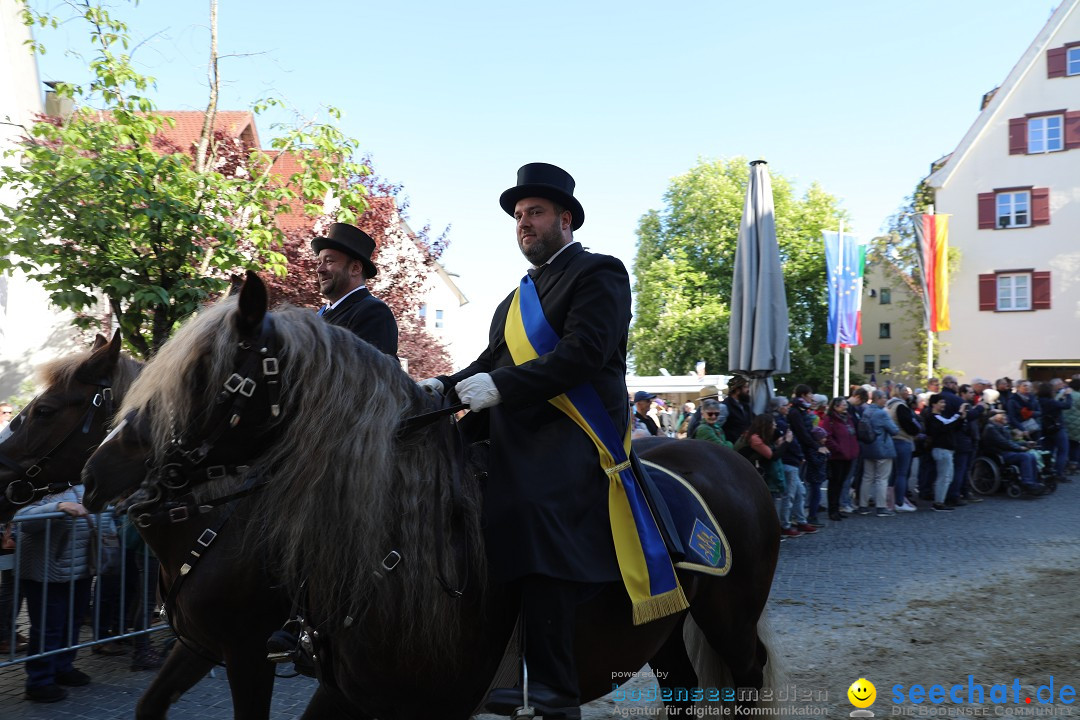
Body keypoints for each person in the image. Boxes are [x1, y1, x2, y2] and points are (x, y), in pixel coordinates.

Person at [423, 163, 682, 719]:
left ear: (565, 219)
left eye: (535, 212)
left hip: (579, 432)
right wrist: (437, 389)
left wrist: (500, 385)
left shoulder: (600, 273)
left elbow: (584, 354)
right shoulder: (514, 299)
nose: (524, 224)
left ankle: (551, 683)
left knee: (531, 501)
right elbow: (487, 364)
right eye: (518, 216)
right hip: (517, 430)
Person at [14, 484, 101, 702]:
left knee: (73, 621)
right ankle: (39, 680)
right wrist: (59, 507)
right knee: (48, 627)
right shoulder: (36, 486)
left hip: (80, 568)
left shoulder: (84, 485)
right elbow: (22, 520)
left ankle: (63, 666)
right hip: (45, 571)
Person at [311, 222, 398, 356]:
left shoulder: (373, 313)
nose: (319, 269)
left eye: (329, 261)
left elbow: (370, 372)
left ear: (355, 268)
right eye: (319, 262)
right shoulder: (320, 314)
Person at [981, 409, 1046, 495]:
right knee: (1025, 456)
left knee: (1031, 455)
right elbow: (1003, 443)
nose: (1005, 417)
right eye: (1002, 415)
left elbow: (1010, 442)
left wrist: (1026, 443)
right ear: (995, 417)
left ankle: (1034, 481)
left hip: (1006, 451)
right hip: (1000, 453)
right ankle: (1028, 483)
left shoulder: (1001, 427)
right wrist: (1020, 448)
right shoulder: (990, 428)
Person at [857, 390, 899, 517]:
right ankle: (881, 507)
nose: (886, 400)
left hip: (867, 448)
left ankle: (862, 506)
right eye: (885, 397)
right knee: (882, 479)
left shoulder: (866, 411)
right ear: (877, 398)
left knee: (867, 478)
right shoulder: (882, 413)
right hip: (882, 449)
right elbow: (894, 430)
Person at [819, 397, 858, 522]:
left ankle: (837, 509)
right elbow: (827, 436)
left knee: (841, 483)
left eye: (845, 405)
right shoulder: (829, 419)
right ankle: (832, 510)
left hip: (848, 455)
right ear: (835, 407)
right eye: (843, 405)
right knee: (834, 484)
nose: (845, 407)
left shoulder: (847, 419)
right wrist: (838, 449)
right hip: (837, 457)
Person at [721, 376, 753, 444]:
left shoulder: (746, 405)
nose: (748, 390)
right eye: (745, 387)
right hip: (732, 447)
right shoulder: (725, 406)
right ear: (737, 390)